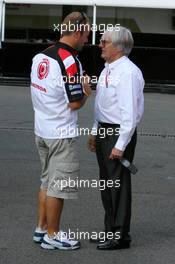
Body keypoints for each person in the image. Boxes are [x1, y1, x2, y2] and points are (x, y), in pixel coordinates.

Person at [31, 11, 91, 250]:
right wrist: (86, 91)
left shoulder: (40, 57)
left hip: (42, 130)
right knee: (58, 187)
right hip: (61, 133)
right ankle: (53, 235)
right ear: (77, 32)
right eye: (86, 35)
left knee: (46, 182)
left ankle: (41, 229)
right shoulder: (70, 61)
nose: (87, 40)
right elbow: (75, 102)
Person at [88, 26, 144, 250]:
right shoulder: (107, 69)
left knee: (117, 186)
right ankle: (109, 231)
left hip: (117, 132)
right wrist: (94, 131)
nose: (100, 45)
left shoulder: (128, 73)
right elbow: (102, 106)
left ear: (119, 47)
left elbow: (129, 115)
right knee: (107, 184)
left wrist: (120, 145)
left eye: (105, 42)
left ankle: (120, 236)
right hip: (104, 130)